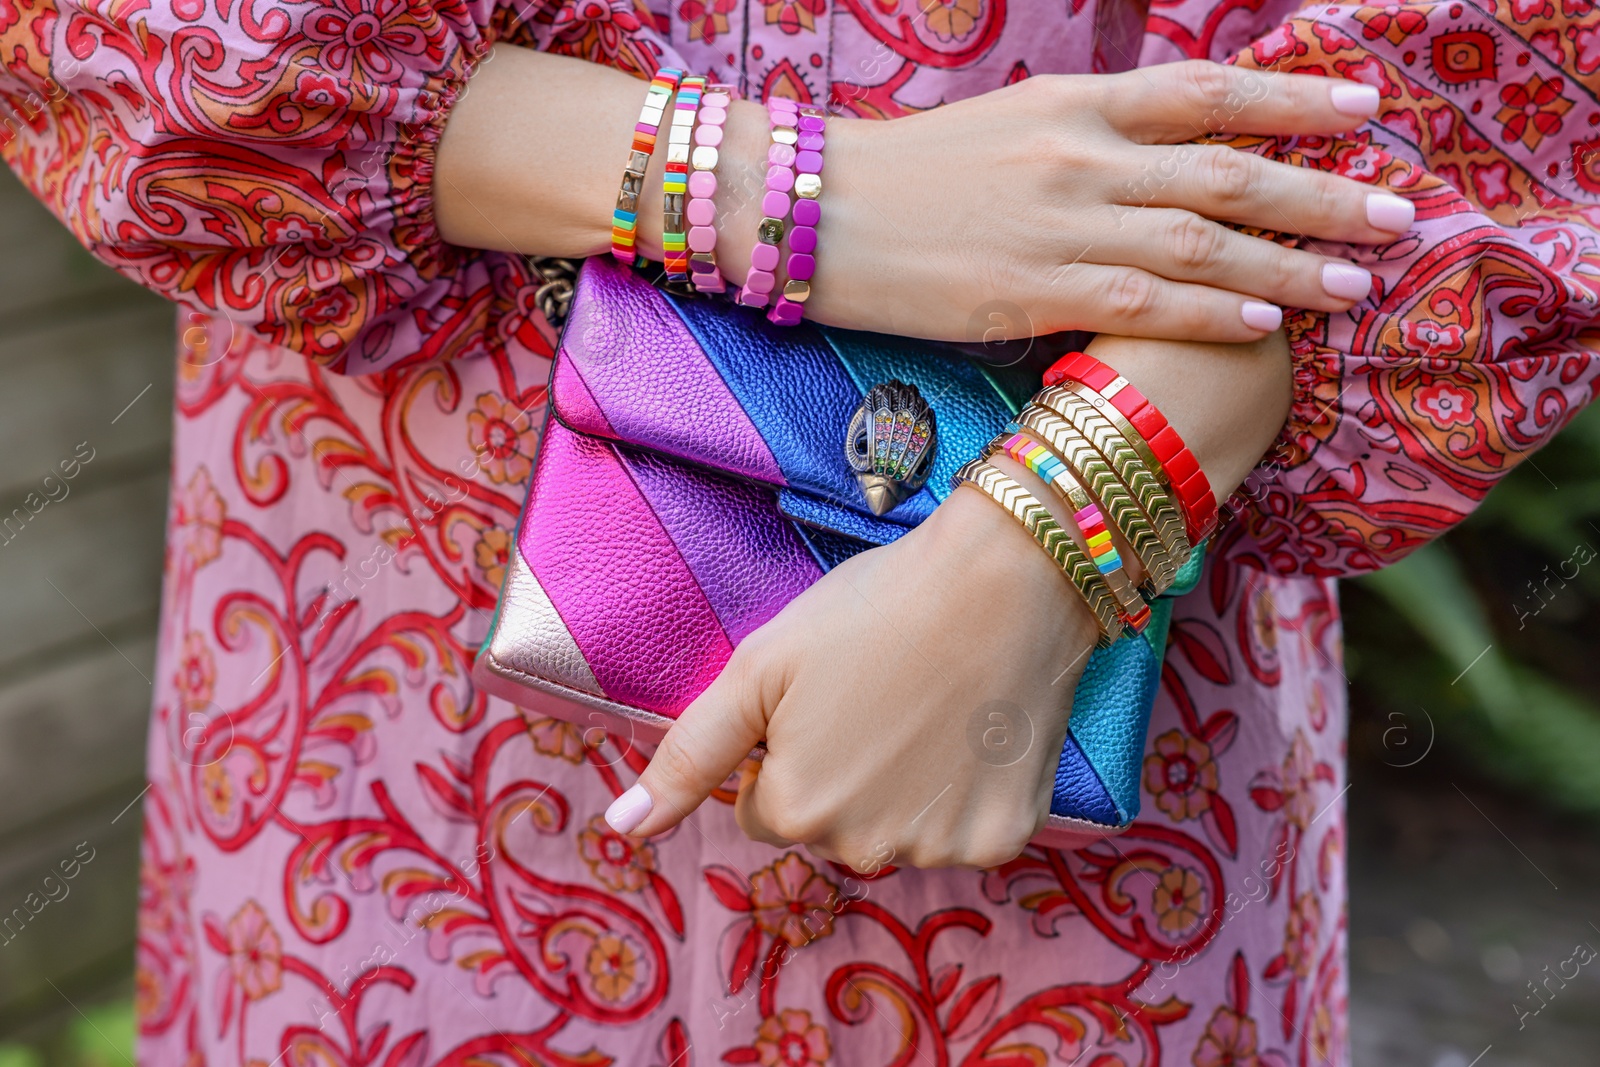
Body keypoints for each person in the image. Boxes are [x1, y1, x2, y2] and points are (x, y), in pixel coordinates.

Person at [2, 0, 1595, 1060]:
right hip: (387, 709)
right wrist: (795, 194)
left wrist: (1051, 535)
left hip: (1096, 696)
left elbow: (1509, 74)